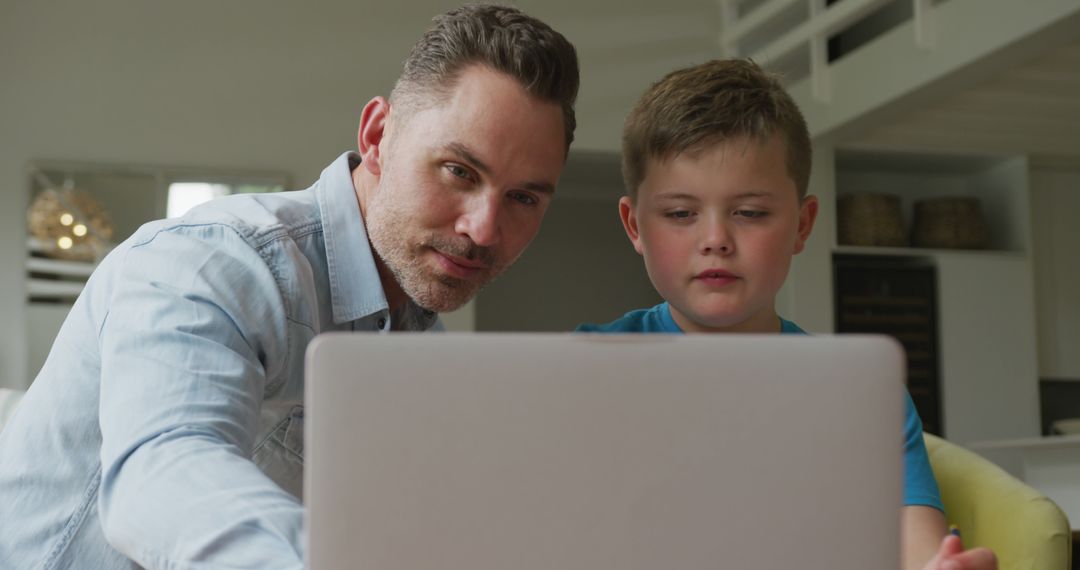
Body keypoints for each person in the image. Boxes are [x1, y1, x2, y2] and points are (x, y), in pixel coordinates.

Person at [0, 5, 579, 568]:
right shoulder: (212, 260)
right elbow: (162, 474)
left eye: (523, 198)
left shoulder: (422, 349)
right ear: (378, 136)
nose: (483, 229)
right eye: (459, 171)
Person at [576, 59, 997, 570]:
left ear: (802, 224)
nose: (715, 241)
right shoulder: (584, 369)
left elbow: (913, 536)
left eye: (750, 213)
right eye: (681, 214)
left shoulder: (856, 389)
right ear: (634, 225)